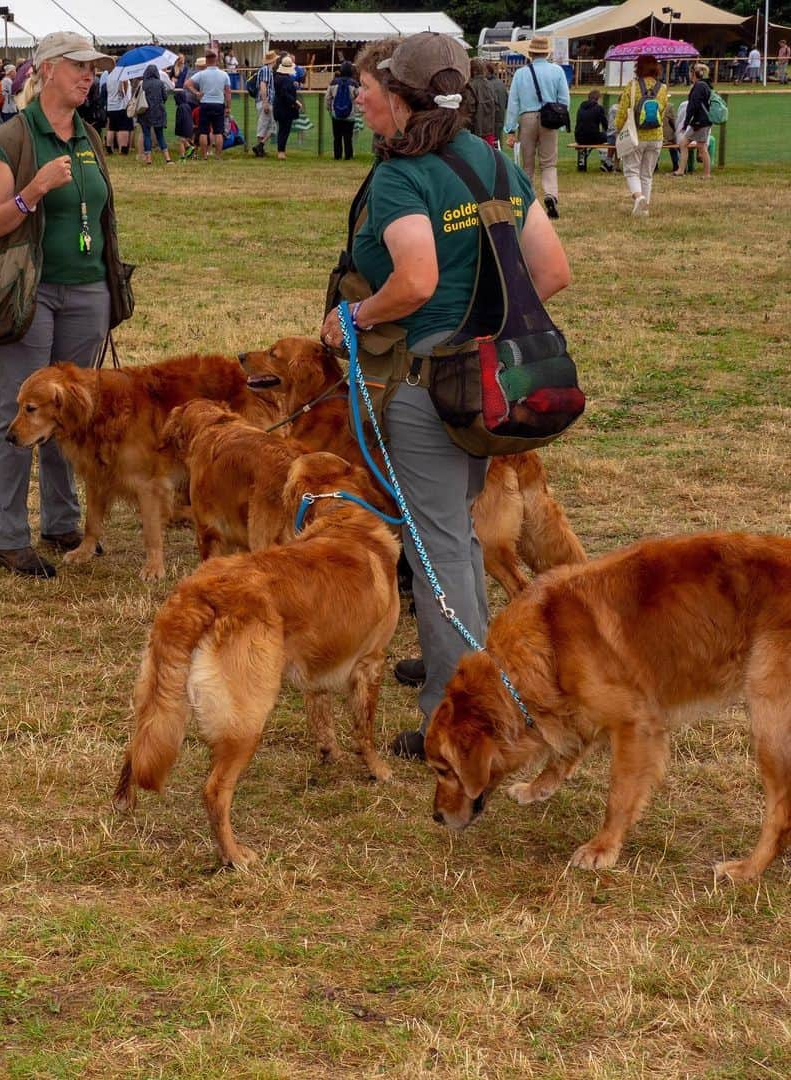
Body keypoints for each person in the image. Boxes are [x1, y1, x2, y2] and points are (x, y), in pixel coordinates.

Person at [317, 33, 570, 758]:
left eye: (374, 88)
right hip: (491, 383)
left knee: (436, 550)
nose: (364, 96)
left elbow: (418, 281)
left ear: (400, 95)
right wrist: (487, 331)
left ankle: (453, 713)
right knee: (454, 536)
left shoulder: (404, 176)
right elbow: (550, 273)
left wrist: (355, 319)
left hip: (430, 385)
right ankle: (481, 678)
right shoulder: (488, 159)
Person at [0, 32, 124, 577]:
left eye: (93, 68)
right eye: (78, 67)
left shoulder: (88, 134)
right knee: (17, 415)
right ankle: (8, 537)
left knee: (72, 414)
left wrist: (110, 286)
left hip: (87, 290)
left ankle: (63, 523)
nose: (89, 76)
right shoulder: (13, 138)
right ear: (45, 71)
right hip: (29, 294)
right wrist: (31, 191)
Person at [504, 36, 570, 220]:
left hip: (527, 118)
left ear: (531, 53)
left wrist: (510, 128)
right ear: (547, 52)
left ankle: (530, 201)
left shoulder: (521, 73)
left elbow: (513, 102)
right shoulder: (557, 71)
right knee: (549, 162)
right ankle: (551, 194)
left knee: (527, 164)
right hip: (549, 118)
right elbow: (564, 99)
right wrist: (561, 121)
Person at [615, 54, 667, 217]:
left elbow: (622, 112)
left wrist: (618, 129)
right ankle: (645, 206)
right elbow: (663, 112)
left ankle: (639, 197)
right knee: (647, 174)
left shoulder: (632, 86)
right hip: (656, 136)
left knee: (631, 171)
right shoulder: (663, 88)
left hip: (636, 135)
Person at [186, 49, 231, 159]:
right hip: (219, 104)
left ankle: (204, 155)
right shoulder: (224, 75)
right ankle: (218, 156)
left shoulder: (201, 74)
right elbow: (228, 92)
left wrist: (196, 92)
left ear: (206, 61)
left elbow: (187, 84)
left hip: (205, 103)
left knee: (203, 131)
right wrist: (228, 106)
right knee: (218, 131)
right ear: (216, 60)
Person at [672, 63, 712, 179]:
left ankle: (706, 174)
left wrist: (686, 123)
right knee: (685, 143)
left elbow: (692, 106)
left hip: (700, 122)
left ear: (693, 74)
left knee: (701, 147)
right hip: (702, 121)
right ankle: (681, 170)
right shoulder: (705, 85)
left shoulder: (698, 86)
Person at [137, 64, 172, 164]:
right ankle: (167, 158)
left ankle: (148, 159)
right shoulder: (160, 83)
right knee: (160, 135)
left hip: (145, 112)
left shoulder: (142, 84)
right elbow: (165, 97)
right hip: (158, 111)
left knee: (146, 135)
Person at [326, 60, 359, 160]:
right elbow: (358, 97)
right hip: (350, 114)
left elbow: (328, 97)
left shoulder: (334, 82)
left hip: (336, 113)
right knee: (348, 136)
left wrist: (329, 108)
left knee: (337, 136)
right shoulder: (354, 83)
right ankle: (348, 155)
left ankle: (337, 155)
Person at [272, 55, 301, 160]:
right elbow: (285, 94)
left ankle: (281, 150)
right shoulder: (286, 79)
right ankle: (281, 152)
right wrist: (295, 101)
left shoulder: (277, 77)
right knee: (285, 130)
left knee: (282, 130)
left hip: (278, 107)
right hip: (285, 108)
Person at [250, 49, 277, 157]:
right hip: (266, 100)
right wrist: (265, 102)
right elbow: (263, 86)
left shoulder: (265, 70)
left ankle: (260, 146)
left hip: (263, 100)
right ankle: (260, 146)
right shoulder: (266, 70)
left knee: (266, 124)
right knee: (268, 125)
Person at [573, 88, 607, 170]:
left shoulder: (581, 107)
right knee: (609, 137)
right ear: (598, 99)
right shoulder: (599, 108)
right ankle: (606, 160)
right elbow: (605, 125)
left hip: (579, 138)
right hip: (593, 138)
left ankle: (583, 160)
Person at [467, 58, 498, 147]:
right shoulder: (491, 85)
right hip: (489, 130)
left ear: (472, 70)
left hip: (474, 132)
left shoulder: (470, 87)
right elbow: (496, 107)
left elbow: (469, 110)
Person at [104, 67, 132, 153]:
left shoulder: (109, 76)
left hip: (111, 105)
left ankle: (109, 148)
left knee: (111, 128)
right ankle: (122, 149)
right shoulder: (122, 76)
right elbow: (123, 90)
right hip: (121, 105)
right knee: (123, 128)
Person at [488, 63, 508, 148]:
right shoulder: (501, 83)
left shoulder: (488, 84)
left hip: (492, 119)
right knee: (498, 143)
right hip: (500, 117)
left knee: (492, 145)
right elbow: (507, 101)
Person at [0, 64, 18, 128]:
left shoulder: (6, 80)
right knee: (10, 126)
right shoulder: (8, 81)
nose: (16, 73)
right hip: (9, 107)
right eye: (14, 71)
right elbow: (11, 93)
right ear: (10, 72)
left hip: (8, 106)